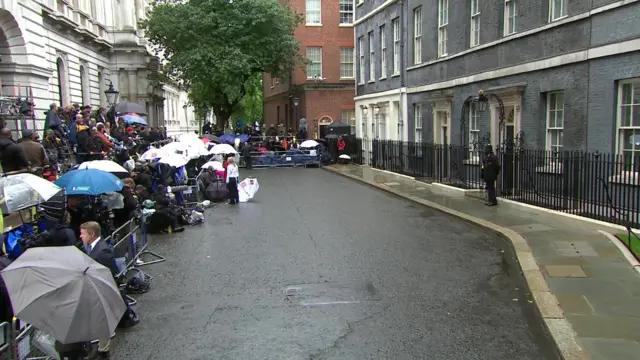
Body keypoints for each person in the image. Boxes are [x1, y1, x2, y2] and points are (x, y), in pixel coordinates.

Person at [80, 221, 139, 359]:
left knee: (101, 320)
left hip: (101, 291)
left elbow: (112, 272)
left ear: (92, 234)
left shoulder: (102, 251)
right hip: (96, 290)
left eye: (83, 233)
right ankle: (101, 349)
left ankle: (103, 350)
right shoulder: (92, 247)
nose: (80, 236)